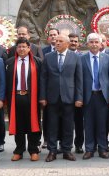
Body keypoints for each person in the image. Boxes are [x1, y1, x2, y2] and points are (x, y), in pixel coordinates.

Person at [41, 34, 83, 162]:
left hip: (69, 97)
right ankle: (52, 151)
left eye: (60, 41)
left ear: (67, 43)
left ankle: (66, 151)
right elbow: (43, 78)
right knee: (52, 125)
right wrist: (42, 96)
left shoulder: (75, 57)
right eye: (56, 41)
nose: (57, 43)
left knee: (68, 126)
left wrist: (79, 98)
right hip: (52, 97)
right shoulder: (48, 57)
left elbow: (79, 79)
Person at [5, 37, 42, 161]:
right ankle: (19, 150)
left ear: (29, 48)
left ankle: (33, 150)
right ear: (16, 48)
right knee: (18, 124)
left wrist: (42, 97)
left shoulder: (37, 62)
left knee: (33, 123)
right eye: (19, 47)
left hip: (32, 97)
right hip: (15, 97)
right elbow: (5, 83)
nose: (21, 49)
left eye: (24, 47)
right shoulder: (9, 63)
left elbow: (42, 81)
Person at [80, 33, 109, 159]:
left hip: (102, 96)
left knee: (102, 124)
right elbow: (79, 80)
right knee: (88, 124)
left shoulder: (107, 58)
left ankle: (102, 148)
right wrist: (79, 97)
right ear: (87, 44)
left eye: (96, 42)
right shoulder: (82, 59)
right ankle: (89, 149)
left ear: (101, 44)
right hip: (88, 96)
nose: (94, 44)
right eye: (91, 42)